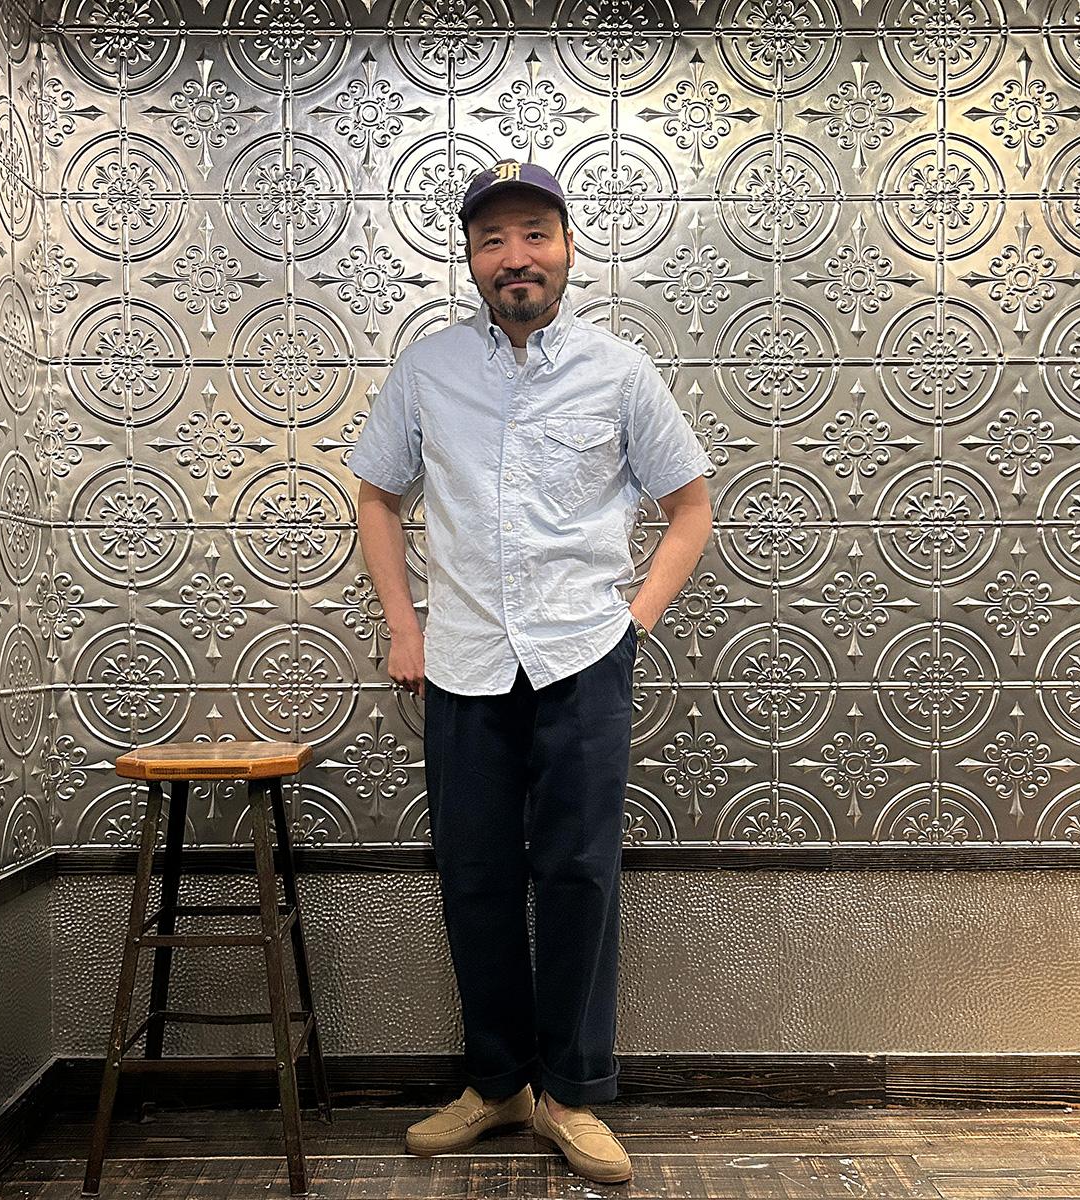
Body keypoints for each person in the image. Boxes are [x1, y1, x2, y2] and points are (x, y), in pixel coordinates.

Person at [348, 158, 713, 1186]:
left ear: (566, 247)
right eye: (493, 239)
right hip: (462, 662)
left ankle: (572, 1095)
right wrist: (403, 626)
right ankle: (497, 1083)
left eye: (534, 235)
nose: (516, 256)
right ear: (471, 258)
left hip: (582, 657)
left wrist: (632, 623)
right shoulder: (427, 370)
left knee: (579, 875)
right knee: (474, 877)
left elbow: (690, 507)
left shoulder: (620, 372)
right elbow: (377, 495)